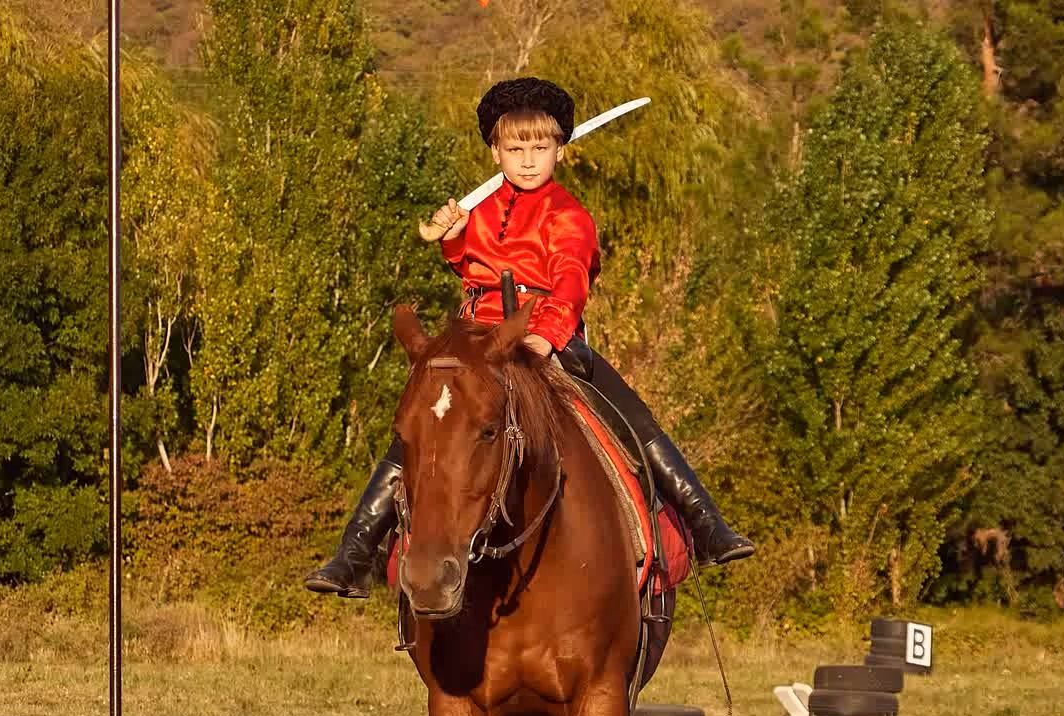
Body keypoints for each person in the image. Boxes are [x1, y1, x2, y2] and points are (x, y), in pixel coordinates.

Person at [305, 77, 753, 599]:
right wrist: (451, 237)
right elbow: (467, 267)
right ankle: (354, 553)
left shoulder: (570, 216)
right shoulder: (485, 209)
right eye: (515, 148)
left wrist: (542, 337)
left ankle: (707, 525)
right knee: (425, 428)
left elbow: (569, 284)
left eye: (540, 148)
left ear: (560, 149)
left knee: (631, 414)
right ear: (495, 151)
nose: (528, 159)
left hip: (546, 338)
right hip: (476, 338)